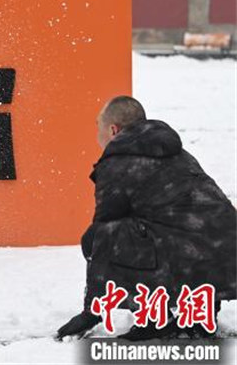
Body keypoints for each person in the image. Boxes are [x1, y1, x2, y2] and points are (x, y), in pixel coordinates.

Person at [56, 96, 237, 340]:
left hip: (193, 252)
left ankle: (153, 318)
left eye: (98, 124)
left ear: (113, 129)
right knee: (166, 231)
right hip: (228, 254)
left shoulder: (117, 163)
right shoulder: (176, 152)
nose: (96, 132)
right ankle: (199, 317)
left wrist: (92, 311)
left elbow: (104, 236)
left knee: (103, 237)